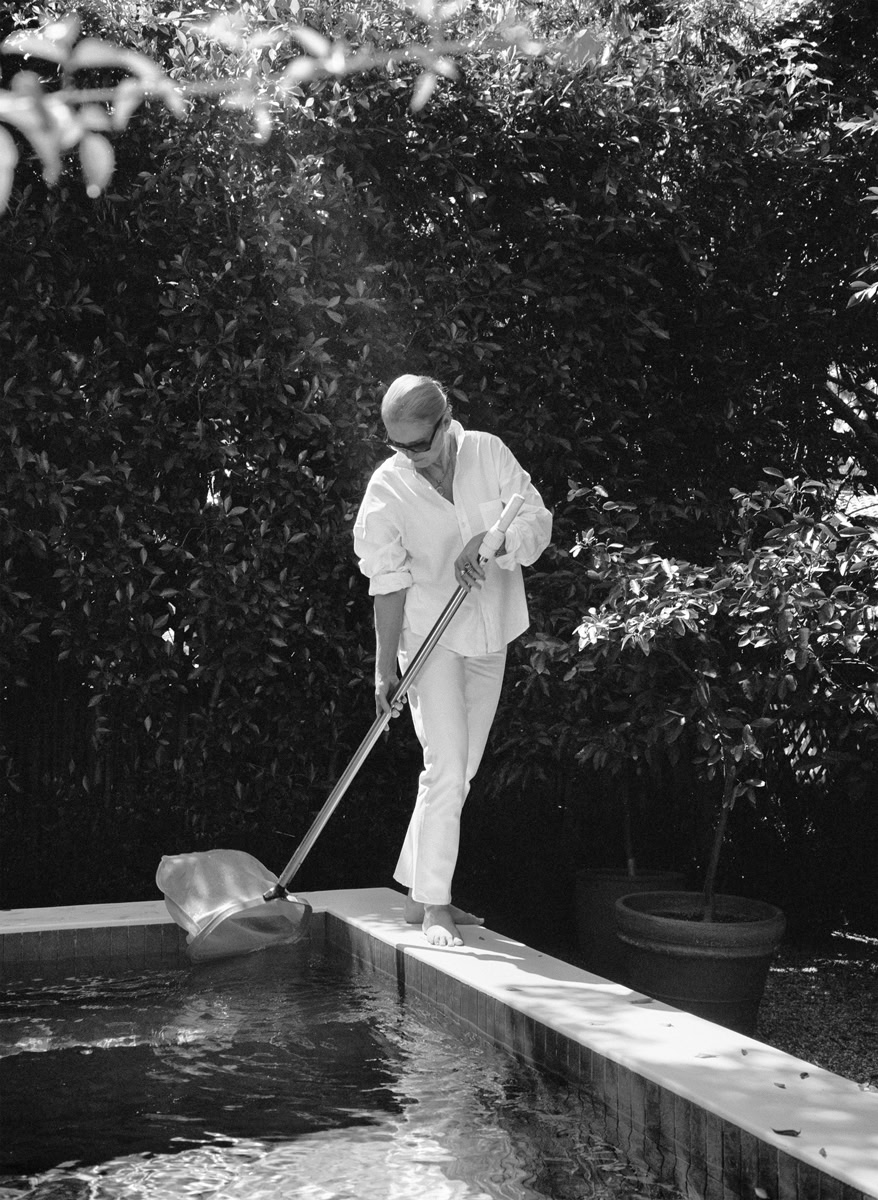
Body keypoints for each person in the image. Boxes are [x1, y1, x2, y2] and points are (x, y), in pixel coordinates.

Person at [353, 375, 552, 947]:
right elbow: (386, 582)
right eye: (397, 444)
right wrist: (384, 668)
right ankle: (436, 903)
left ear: (445, 422)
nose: (408, 456)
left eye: (419, 443)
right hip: (429, 640)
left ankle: (420, 892)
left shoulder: (488, 453)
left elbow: (536, 523)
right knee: (445, 766)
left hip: (490, 633)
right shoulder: (387, 488)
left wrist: (493, 537)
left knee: (459, 770)